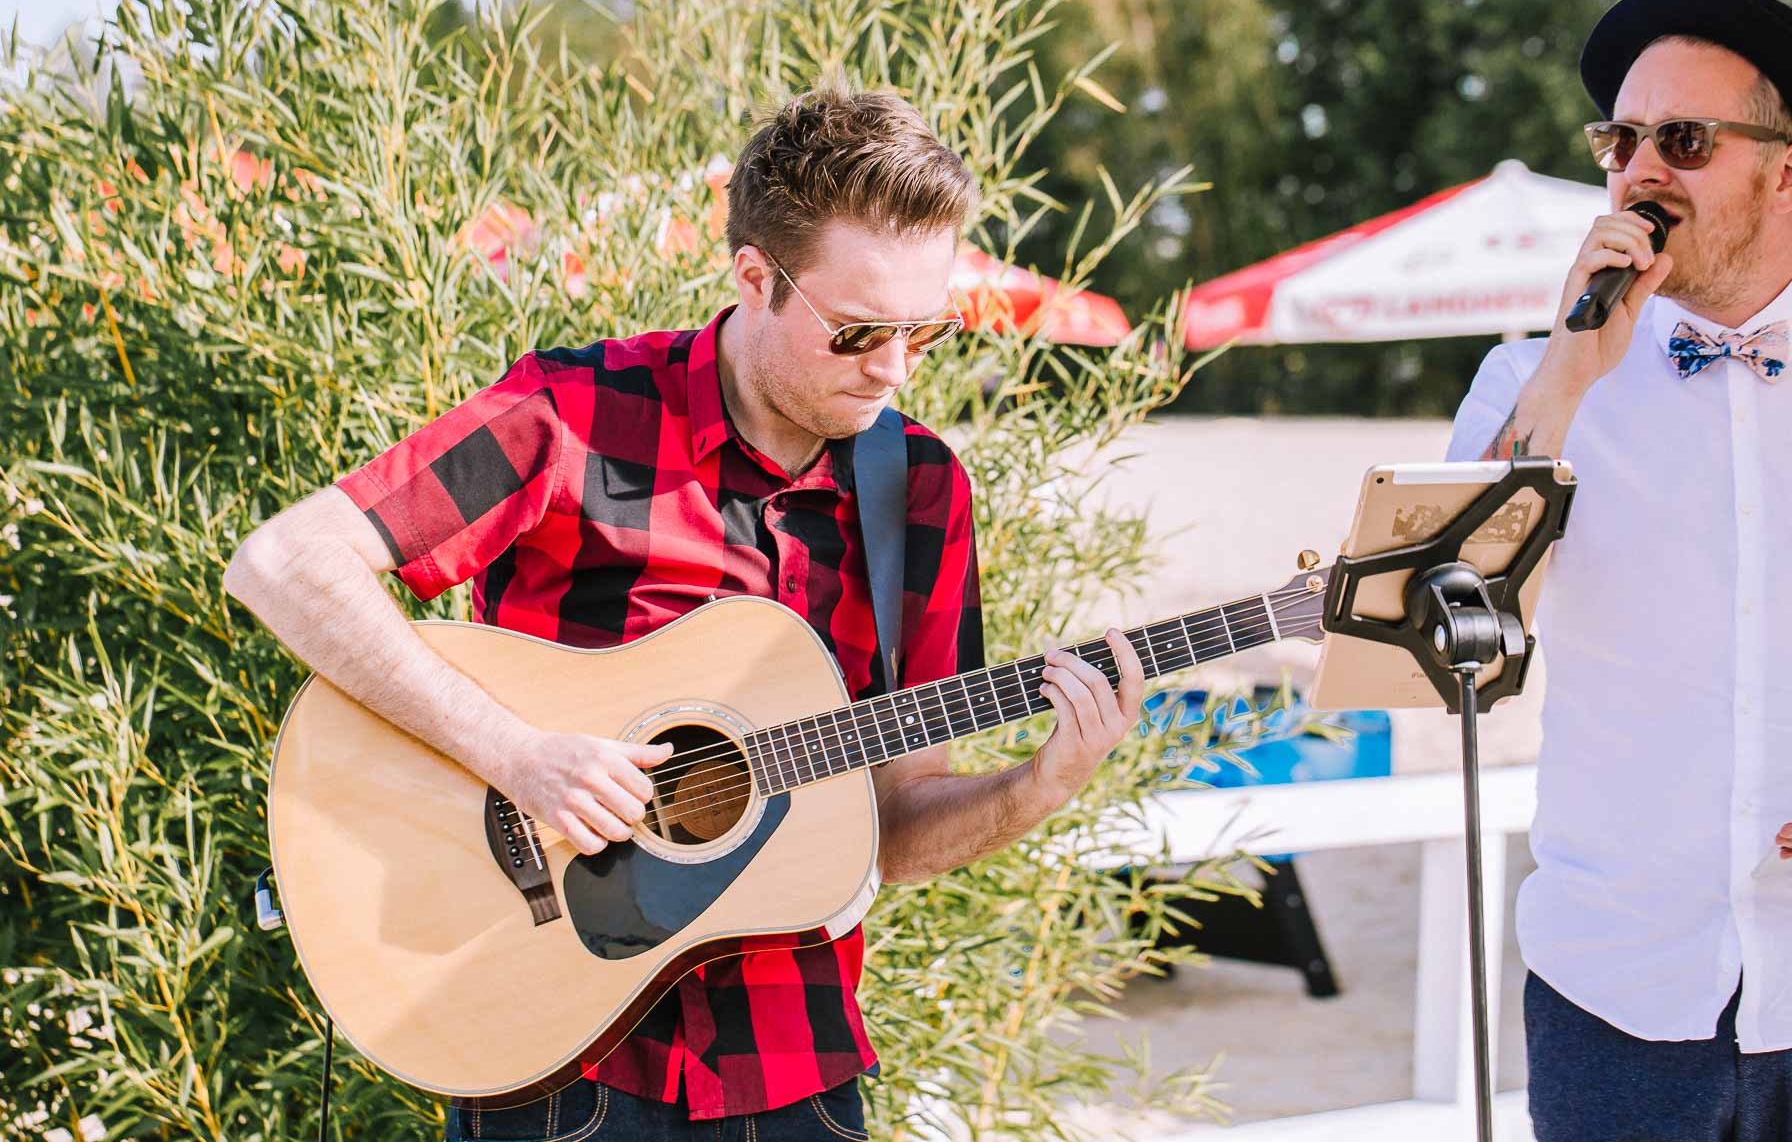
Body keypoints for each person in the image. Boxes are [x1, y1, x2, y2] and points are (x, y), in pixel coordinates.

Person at [223, 79, 1146, 1142]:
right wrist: (519, 754)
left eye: (923, 332)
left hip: (797, 1071)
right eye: (857, 333)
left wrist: (1042, 784)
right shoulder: (573, 414)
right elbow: (285, 563)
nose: (893, 369)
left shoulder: (923, 487)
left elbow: (891, 829)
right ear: (755, 277)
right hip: (552, 1060)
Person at [1446, 0, 1792, 1142]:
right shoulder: (1527, 386)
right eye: (1622, 139)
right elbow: (1446, 635)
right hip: (1618, 995)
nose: (1643, 169)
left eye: (1685, 140)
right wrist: (1568, 378)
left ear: (1786, 171)